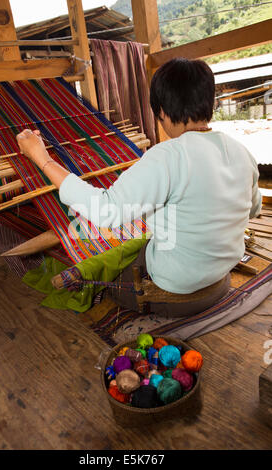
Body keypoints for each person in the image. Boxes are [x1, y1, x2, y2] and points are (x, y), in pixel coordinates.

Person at [16, 57, 262, 316]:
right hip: (219, 280)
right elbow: (253, 209)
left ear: (163, 112)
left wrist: (42, 159)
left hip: (178, 289)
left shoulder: (169, 155)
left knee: (110, 269)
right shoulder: (241, 152)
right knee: (144, 243)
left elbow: (105, 211)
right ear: (209, 103)